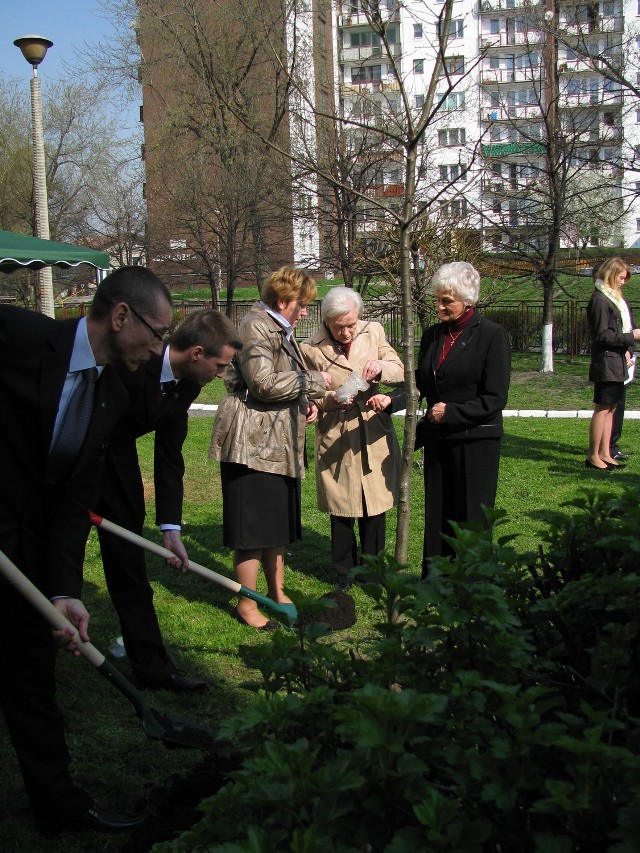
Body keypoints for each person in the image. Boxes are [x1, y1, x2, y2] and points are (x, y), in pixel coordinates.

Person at [0, 266, 173, 835]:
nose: (158, 348)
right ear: (121, 316)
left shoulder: (115, 392)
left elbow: (76, 500)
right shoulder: (20, 336)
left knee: (32, 681)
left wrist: (64, 590)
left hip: (24, 555)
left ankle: (59, 807)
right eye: (157, 332)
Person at [94, 309, 242, 692]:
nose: (222, 374)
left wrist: (170, 527)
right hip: (72, 458)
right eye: (220, 365)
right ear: (196, 353)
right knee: (50, 556)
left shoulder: (187, 382)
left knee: (130, 566)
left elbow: (169, 454)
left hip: (117, 459)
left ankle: (153, 669)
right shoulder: (130, 362)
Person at [208, 267, 331, 629]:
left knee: (277, 523)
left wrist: (303, 399)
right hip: (252, 441)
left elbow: (280, 381)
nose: (306, 311)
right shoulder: (255, 325)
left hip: (277, 439)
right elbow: (262, 383)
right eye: (303, 304)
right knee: (253, 528)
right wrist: (314, 382)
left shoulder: (279, 326)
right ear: (283, 301)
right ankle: (248, 604)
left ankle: (276, 592)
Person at [300, 287, 405, 592]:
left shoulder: (373, 332)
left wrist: (381, 368)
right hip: (336, 435)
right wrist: (328, 401)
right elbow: (308, 396)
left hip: (372, 432)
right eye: (338, 326)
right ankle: (343, 573)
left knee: (374, 504)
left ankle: (373, 572)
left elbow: (398, 369)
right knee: (342, 507)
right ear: (326, 321)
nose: (346, 332)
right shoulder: (310, 348)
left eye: (351, 325)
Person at [416, 261, 511, 577]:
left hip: (476, 440)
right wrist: (389, 399)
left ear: (467, 300)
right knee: (438, 512)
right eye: (438, 299)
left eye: (447, 301)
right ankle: (435, 579)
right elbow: (420, 382)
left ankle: (471, 582)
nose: (440, 307)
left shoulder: (492, 336)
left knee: (470, 515)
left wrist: (451, 412)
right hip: (438, 440)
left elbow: (495, 398)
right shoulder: (432, 336)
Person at [586, 256, 640, 470]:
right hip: (606, 361)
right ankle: (593, 455)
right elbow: (602, 336)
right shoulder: (600, 300)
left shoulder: (613, 298)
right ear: (611, 274)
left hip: (616, 359)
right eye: (621, 277)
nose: (623, 282)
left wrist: (627, 349)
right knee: (603, 407)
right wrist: (631, 337)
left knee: (611, 408)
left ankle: (605, 452)